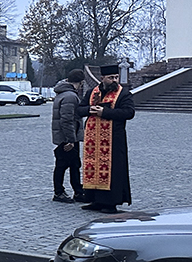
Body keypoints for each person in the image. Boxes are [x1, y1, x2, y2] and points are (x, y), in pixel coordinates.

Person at [77, 65, 134, 213]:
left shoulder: (123, 94)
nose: (114, 80)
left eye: (116, 77)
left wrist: (105, 112)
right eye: (111, 77)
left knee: (113, 170)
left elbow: (129, 112)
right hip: (93, 140)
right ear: (102, 79)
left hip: (114, 140)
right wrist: (89, 110)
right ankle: (95, 200)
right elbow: (79, 109)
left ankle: (110, 203)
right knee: (93, 168)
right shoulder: (92, 92)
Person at [50, 69, 86, 203]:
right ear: (81, 82)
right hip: (68, 136)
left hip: (66, 135)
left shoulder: (63, 93)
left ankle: (78, 190)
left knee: (73, 164)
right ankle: (60, 192)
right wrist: (70, 140)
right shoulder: (70, 96)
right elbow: (67, 120)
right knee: (64, 164)